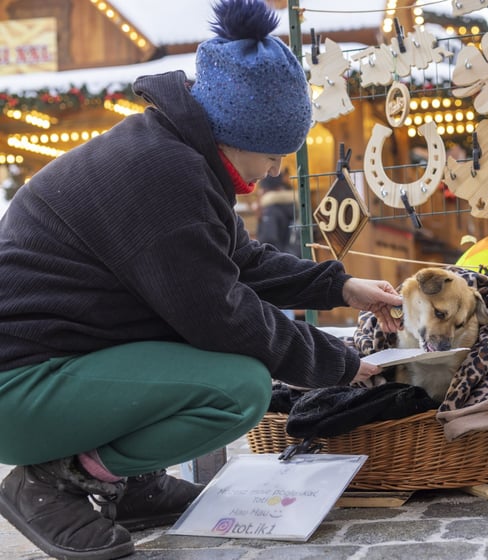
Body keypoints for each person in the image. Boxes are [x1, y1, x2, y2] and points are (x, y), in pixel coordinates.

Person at [0, 2, 403, 559]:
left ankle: (131, 486)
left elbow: (239, 262)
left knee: (189, 342)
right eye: (273, 153)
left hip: (50, 371)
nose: (276, 170)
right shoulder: (163, 178)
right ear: (235, 134)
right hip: (19, 392)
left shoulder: (171, 155)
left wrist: (338, 287)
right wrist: (339, 364)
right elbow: (222, 314)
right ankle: (53, 480)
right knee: (237, 387)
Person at [258, 170, 300, 319]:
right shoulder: (291, 205)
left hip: (275, 262)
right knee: (286, 303)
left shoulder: (272, 208)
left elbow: (268, 238)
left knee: (276, 305)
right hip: (290, 258)